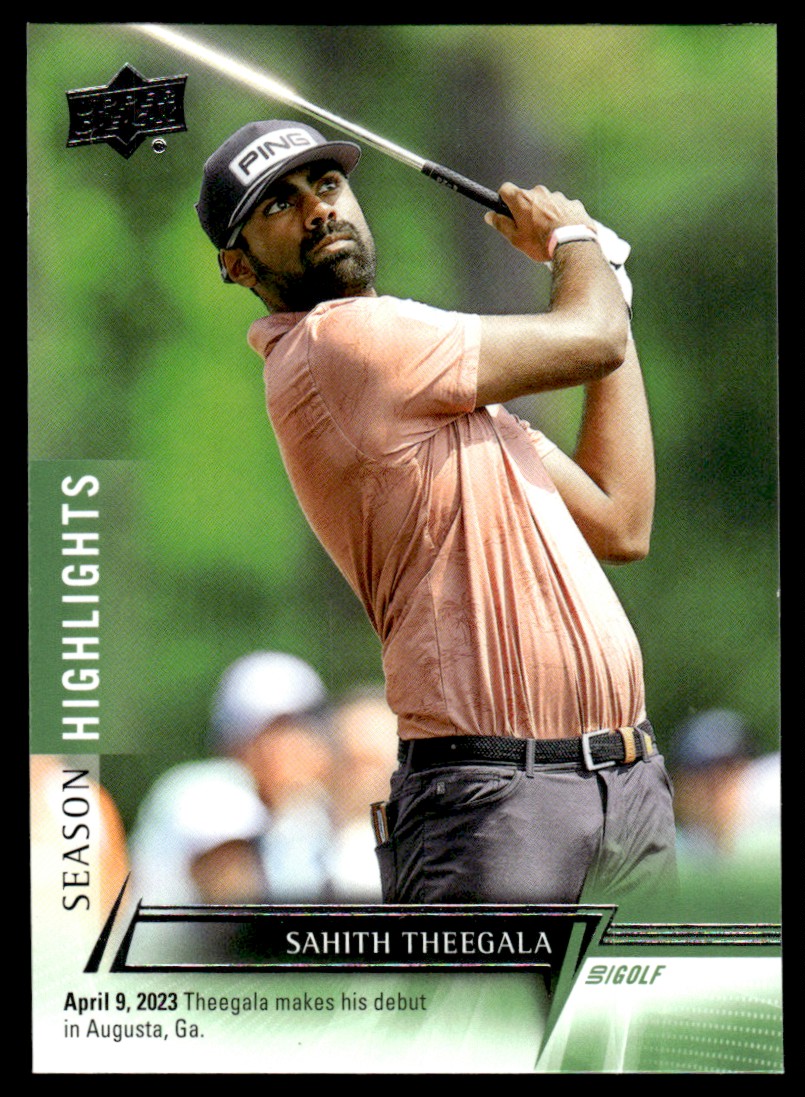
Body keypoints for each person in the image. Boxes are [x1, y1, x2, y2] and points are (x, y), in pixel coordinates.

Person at [195, 119, 677, 912]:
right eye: (278, 204)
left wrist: (609, 290)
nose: (317, 210)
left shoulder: (453, 407)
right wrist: (575, 245)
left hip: (625, 787)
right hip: (496, 801)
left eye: (325, 184)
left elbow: (620, 519)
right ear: (238, 265)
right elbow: (588, 338)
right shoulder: (339, 343)